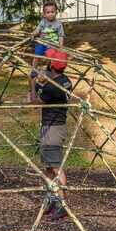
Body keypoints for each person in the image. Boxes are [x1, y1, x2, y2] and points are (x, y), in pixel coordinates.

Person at [27, 48, 72, 222]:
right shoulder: (64, 81)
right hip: (55, 127)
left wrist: (33, 85)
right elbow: (50, 92)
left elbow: (34, 102)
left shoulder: (53, 88)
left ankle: (63, 205)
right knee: (49, 167)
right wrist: (43, 82)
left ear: (52, 65)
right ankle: (54, 200)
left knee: (56, 167)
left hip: (52, 129)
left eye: (49, 60)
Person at [31, 1, 64, 71]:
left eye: (52, 12)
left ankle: (48, 70)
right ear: (44, 14)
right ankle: (33, 70)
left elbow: (61, 35)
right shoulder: (43, 21)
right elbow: (37, 30)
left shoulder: (58, 24)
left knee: (50, 57)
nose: (50, 14)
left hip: (52, 44)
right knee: (36, 56)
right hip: (42, 42)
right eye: (48, 12)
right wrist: (33, 33)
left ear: (56, 13)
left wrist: (61, 45)